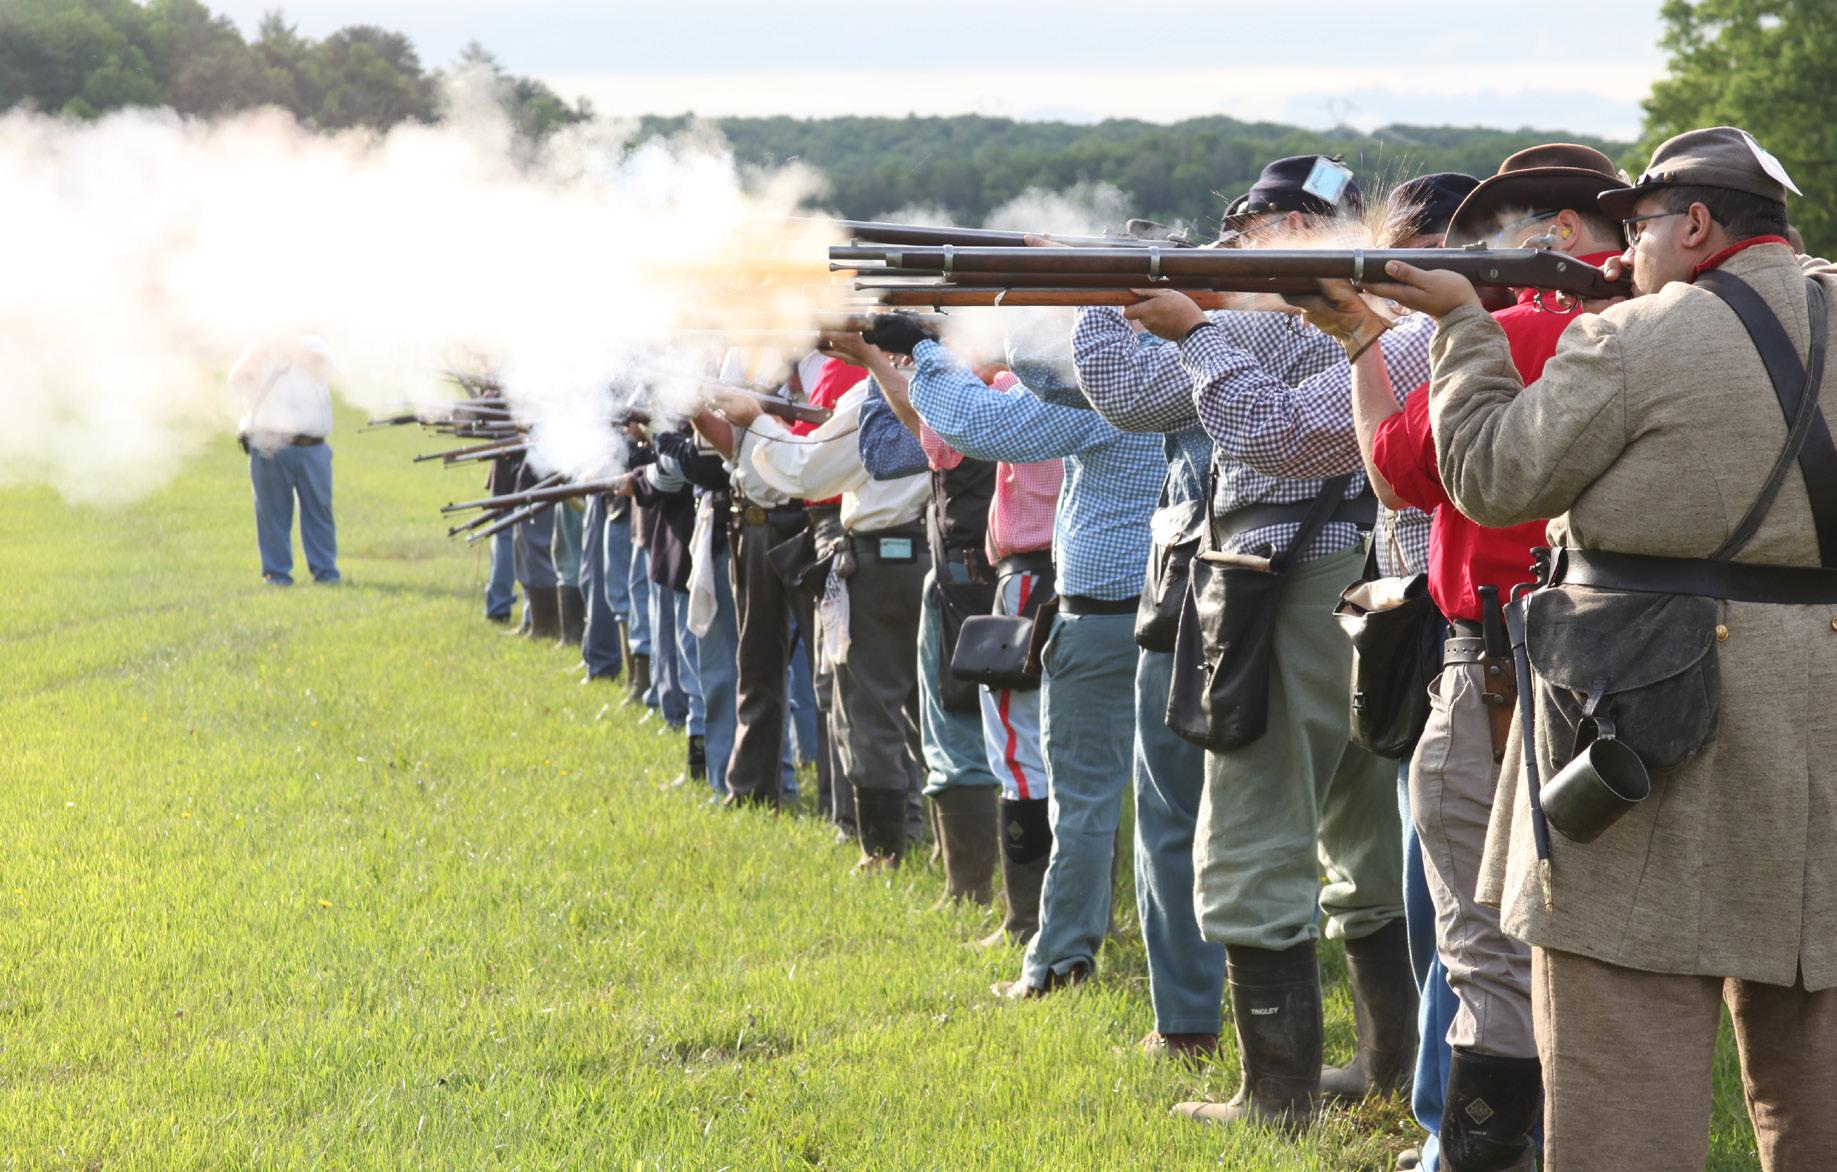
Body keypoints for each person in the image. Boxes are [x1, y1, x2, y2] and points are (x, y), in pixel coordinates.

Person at [1344, 126, 1837, 1171]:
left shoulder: (1634, 338)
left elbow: (1489, 479)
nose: (1626, 249)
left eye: (1640, 225)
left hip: (1645, 730)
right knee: (1820, 1083)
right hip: (1821, 736)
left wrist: (1463, 326)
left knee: (1623, 1083)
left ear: (1693, 222)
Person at [1073, 155, 1405, 1131]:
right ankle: (1388, 1060)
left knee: (1253, 830)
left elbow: (1138, 395)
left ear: (1297, 229)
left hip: (1293, 578)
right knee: (1364, 833)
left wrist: (1123, 301)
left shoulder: (1289, 316)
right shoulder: (1342, 309)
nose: (1233, 241)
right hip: (1372, 577)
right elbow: (1142, 398)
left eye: (1249, 225)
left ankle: (1276, 1099)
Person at [1351, 147, 1627, 1172]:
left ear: (1556, 236)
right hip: (1629, 673)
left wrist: (1357, 342)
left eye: (1490, 236)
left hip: (1498, 673)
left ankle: (1470, 1154)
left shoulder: (1508, 335)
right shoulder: (1655, 337)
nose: (1472, 257)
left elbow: (1392, 472)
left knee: (1483, 952)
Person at [895, 317, 1164, 999]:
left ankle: (1058, 959)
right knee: (1173, 807)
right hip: (1177, 606)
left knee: (1082, 802)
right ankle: (1185, 978)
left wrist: (927, 346)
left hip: (1103, 612)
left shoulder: (1119, 378)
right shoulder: (1182, 359)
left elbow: (982, 426)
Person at [721, 373, 933, 866]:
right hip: (927, 552)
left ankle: (883, 855)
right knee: (929, 715)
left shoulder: (874, 394)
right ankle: (942, 852)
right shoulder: (943, 382)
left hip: (881, 561)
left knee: (868, 715)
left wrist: (756, 420)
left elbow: (807, 474)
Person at [851, 341, 1004, 905]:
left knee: (960, 736)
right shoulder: (1007, 387)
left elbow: (883, 451)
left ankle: (971, 892)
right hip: (977, 570)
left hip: (970, 580)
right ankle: (975, 885)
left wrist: (878, 358)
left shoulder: (982, 392)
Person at [229, 335, 341, 587]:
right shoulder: (258, 349)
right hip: (269, 443)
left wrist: (287, 345)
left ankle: (326, 572)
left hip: (312, 445)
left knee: (319, 510)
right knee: (272, 514)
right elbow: (238, 382)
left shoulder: (314, 345)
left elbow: (321, 367)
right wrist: (261, 350)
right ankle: (276, 574)